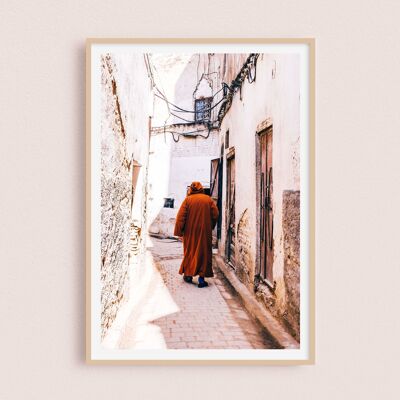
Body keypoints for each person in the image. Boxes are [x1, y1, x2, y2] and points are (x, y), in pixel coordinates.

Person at [174, 181, 219, 288]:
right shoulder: (208, 200)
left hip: (190, 233)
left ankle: (188, 275)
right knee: (203, 253)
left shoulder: (187, 200)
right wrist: (210, 225)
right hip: (204, 232)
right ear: (201, 188)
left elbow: (181, 217)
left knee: (190, 252)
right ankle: (201, 279)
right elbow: (215, 214)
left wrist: (179, 232)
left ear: (191, 189)